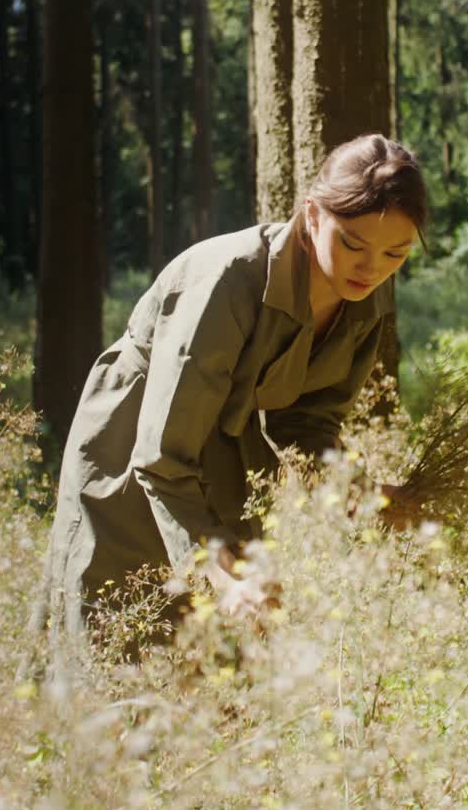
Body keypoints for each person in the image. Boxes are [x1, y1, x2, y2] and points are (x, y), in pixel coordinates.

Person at [36, 133, 427, 649]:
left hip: (222, 448)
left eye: (395, 254)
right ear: (312, 215)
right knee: (119, 626)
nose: (371, 269)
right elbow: (161, 459)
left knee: (222, 650)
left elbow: (308, 423)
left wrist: (359, 493)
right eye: (352, 244)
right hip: (134, 445)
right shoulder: (226, 282)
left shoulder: (363, 304)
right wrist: (218, 578)